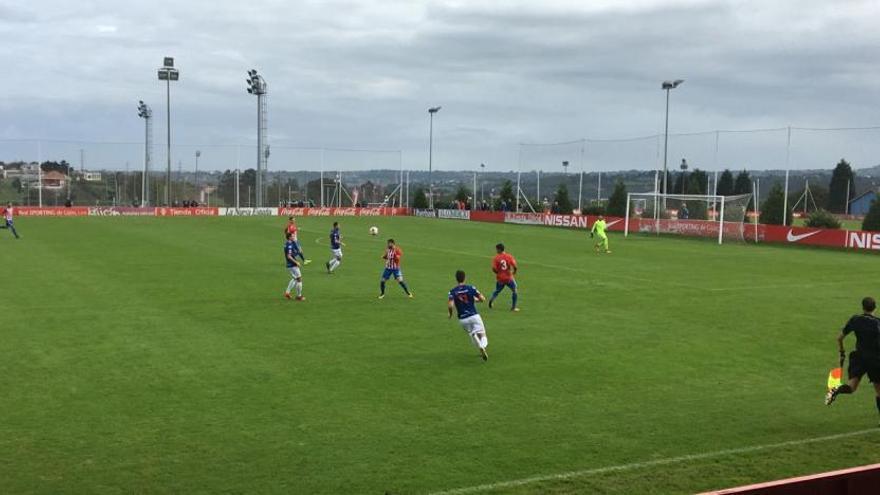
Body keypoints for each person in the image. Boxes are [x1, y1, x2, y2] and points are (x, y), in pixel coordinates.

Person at [825, 297, 880, 423]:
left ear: (863, 307)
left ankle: (835, 389)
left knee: (851, 387)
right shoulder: (878, 323)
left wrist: (842, 352)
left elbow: (839, 338)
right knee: (878, 390)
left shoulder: (856, 319)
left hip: (859, 357)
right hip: (875, 360)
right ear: (875, 307)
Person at [448, 270, 489, 361]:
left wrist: (450, 314)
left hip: (462, 319)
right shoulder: (471, 288)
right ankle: (482, 346)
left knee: (473, 334)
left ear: (456, 279)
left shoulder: (452, 292)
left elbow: (450, 305)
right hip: (474, 316)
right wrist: (474, 300)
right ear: (465, 278)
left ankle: (480, 347)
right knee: (482, 334)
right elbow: (482, 299)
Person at [489, 243, 519, 312]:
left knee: (497, 291)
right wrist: (514, 272)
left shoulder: (496, 258)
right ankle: (513, 307)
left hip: (500, 278)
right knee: (514, 290)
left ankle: (492, 300)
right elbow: (515, 266)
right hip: (509, 278)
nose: (496, 250)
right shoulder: (509, 256)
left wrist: (498, 273)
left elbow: (493, 268)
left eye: (496, 249)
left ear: (499, 249)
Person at [283, 232, 305, 301]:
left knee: (295, 278)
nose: (294, 237)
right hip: (292, 265)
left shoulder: (288, 243)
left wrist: (298, 252)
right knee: (299, 279)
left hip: (290, 264)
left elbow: (292, 253)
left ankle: (287, 292)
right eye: (292, 236)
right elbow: (289, 256)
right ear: (289, 237)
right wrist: (296, 262)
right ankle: (299, 296)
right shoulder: (289, 245)